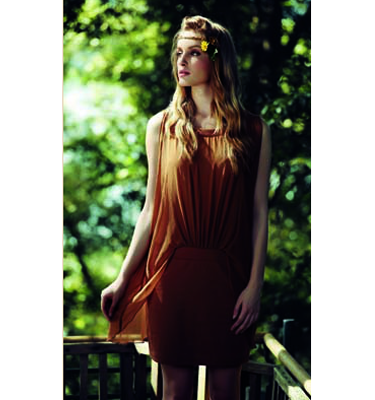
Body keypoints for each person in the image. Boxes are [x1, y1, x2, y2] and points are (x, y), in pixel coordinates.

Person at [101, 15, 271, 399]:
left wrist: (254, 286)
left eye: (194, 52)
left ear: (217, 59)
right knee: (175, 392)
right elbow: (150, 209)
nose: (182, 60)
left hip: (229, 278)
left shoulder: (254, 130)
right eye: (179, 52)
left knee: (225, 391)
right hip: (172, 276)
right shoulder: (161, 127)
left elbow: (259, 213)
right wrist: (123, 278)